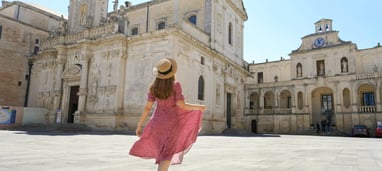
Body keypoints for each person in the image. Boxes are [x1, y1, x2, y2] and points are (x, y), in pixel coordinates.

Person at [129, 58, 206, 171]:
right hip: (172, 125)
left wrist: (140, 125)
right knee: (167, 154)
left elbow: (147, 108)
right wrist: (199, 107)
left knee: (163, 152)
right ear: (172, 72)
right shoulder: (175, 85)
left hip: (156, 124)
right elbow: (182, 105)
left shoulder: (153, 87)